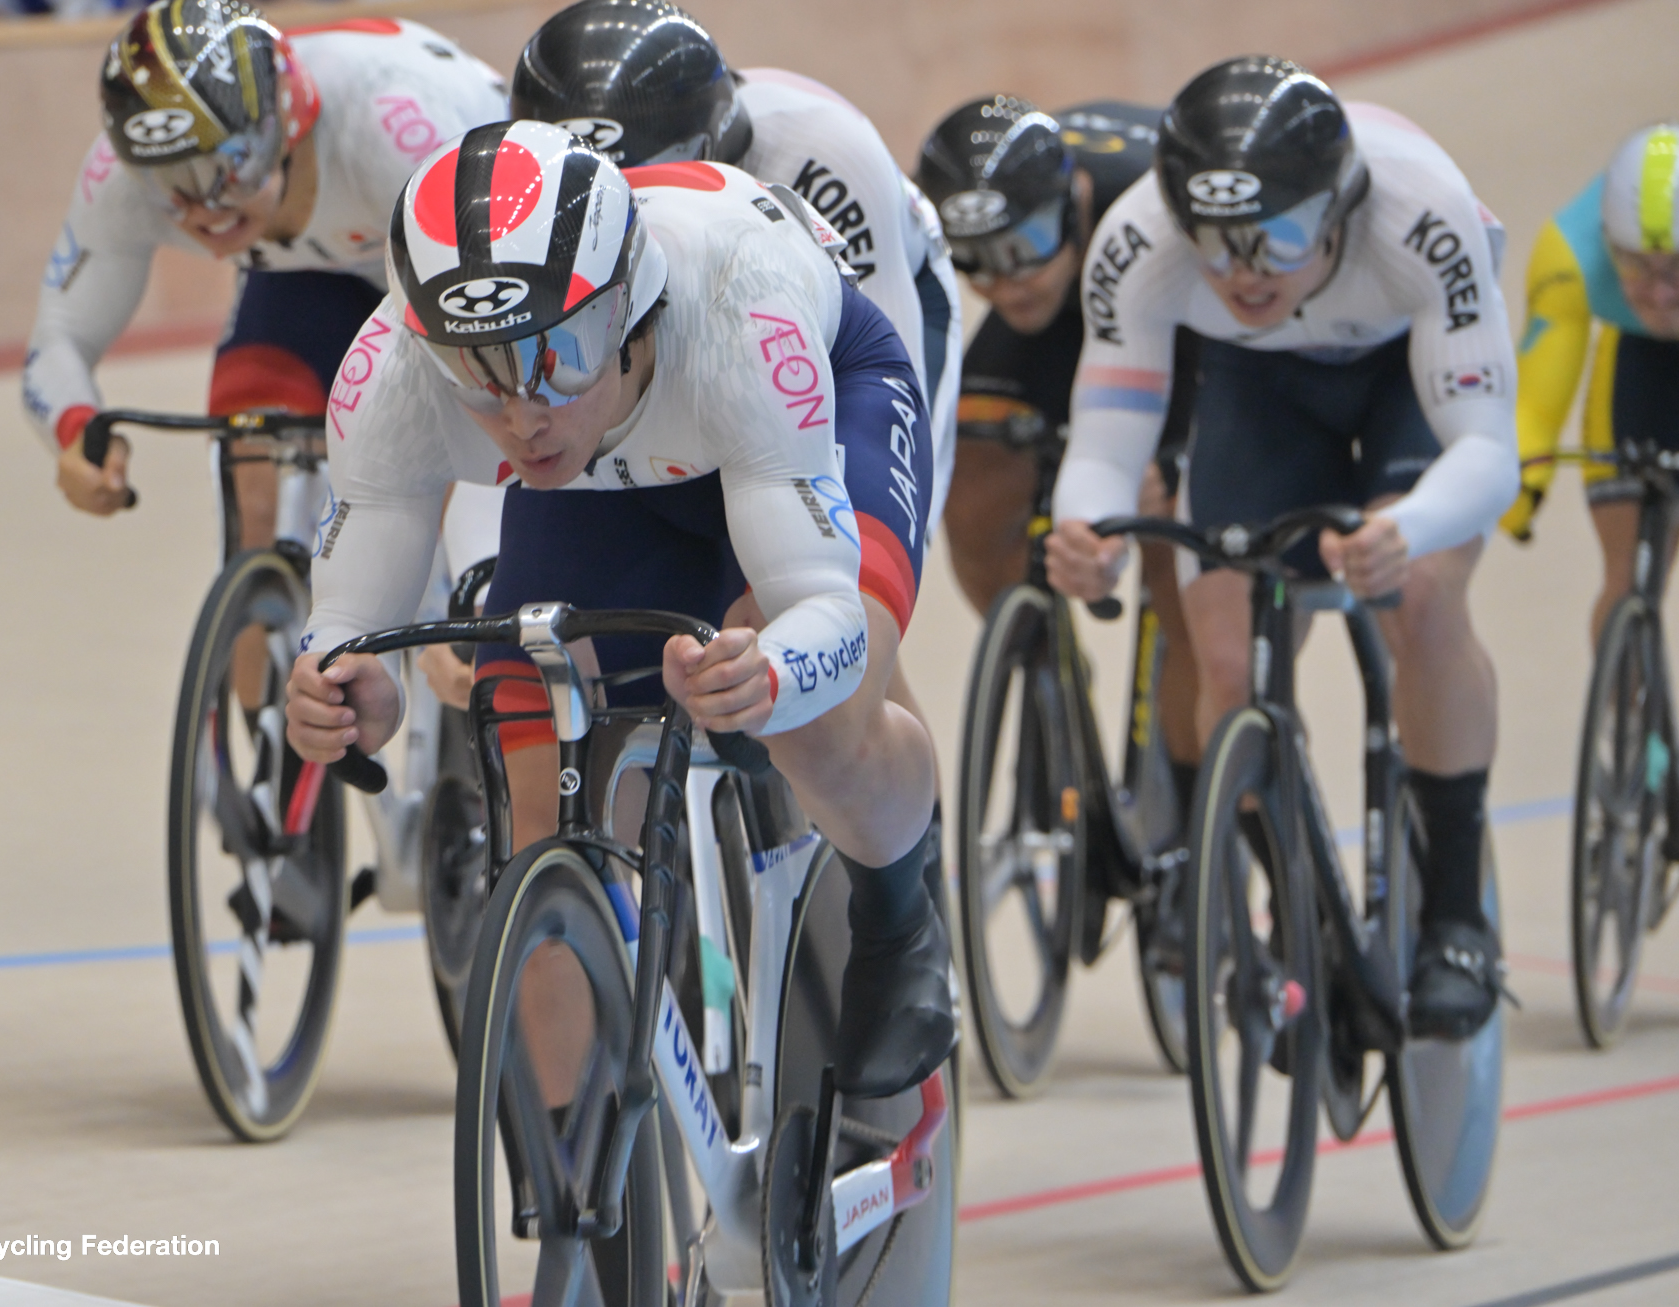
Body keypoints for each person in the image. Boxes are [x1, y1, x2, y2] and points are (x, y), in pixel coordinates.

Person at [284, 121, 952, 1099]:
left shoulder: (740, 314)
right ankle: (575, 1164)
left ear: (629, 308)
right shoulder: (391, 370)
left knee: (819, 724)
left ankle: (898, 914)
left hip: (797, 420)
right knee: (537, 807)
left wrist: (769, 671)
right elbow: (350, 621)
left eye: (560, 354)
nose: (523, 415)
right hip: (601, 473)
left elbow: (827, 613)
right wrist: (349, 685)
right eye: (477, 374)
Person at [1045, 57, 1519, 1040]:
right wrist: (1084, 527)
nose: (1242, 272)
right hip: (1259, 385)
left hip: (1405, 371)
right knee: (1226, 667)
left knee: (1423, 594)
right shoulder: (1139, 240)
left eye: (1278, 238)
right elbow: (1105, 438)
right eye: (1213, 243)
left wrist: (1406, 529)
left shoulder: (1422, 215)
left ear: (1339, 207)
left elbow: (1485, 449)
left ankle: (1456, 919)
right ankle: (1299, 912)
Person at [22, 0, 506, 549]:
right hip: (309, 269)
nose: (205, 210)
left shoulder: (387, 128)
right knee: (253, 479)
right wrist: (75, 429)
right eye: (167, 185)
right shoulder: (119, 177)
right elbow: (61, 334)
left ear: (289, 122)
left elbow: (493, 325)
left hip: (461, 262)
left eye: (231, 167)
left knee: (448, 488)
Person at [507, 0, 961, 541]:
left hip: (869, 292)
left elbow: (882, 374)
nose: (639, 204)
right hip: (682, 307)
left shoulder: (824, 156)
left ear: (714, 144)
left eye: (648, 178)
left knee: (878, 519)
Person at [917, 93, 1201, 791]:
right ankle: (1048, 675)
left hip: (1181, 320)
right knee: (970, 464)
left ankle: (1197, 775)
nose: (1006, 282)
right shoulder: (1027, 279)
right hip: (1061, 319)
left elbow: (1233, 360)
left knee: (1172, 524)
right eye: (976, 259)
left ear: (1075, 201)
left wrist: (1172, 459)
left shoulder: (1155, 208)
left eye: (1023, 248)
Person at [1502, 123, 1679, 642]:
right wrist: (1515, 481)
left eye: (1677, 268)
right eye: (1636, 266)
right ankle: (1624, 683)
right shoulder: (1569, 254)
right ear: (1607, 242)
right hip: (1636, 365)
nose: (1660, 294)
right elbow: (1535, 406)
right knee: (1628, 580)